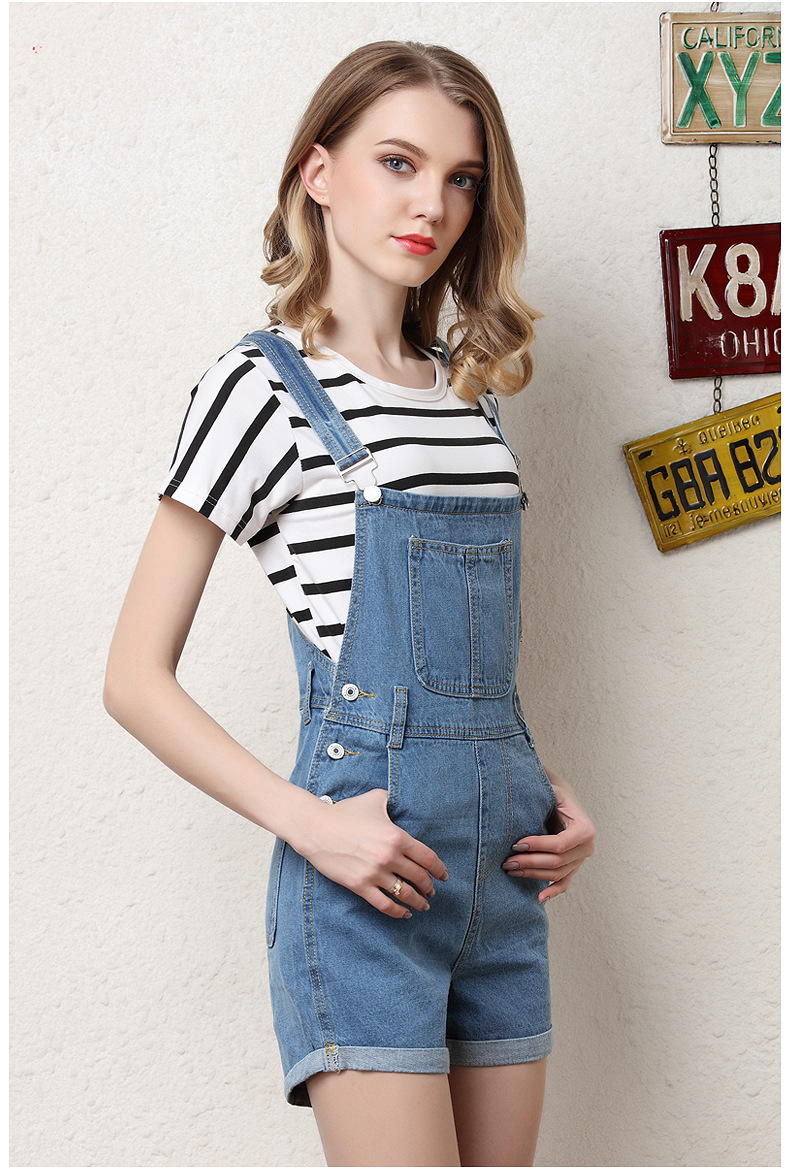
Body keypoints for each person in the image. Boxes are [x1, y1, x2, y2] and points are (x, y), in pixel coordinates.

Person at [104, 40, 595, 1167]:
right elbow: (132, 677)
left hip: (505, 882)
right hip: (365, 883)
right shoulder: (259, 387)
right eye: (397, 162)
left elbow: (471, 664)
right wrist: (310, 823)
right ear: (318, 173)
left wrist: (549, 787)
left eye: (461, 178)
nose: (431, 205)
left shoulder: (470, 399)